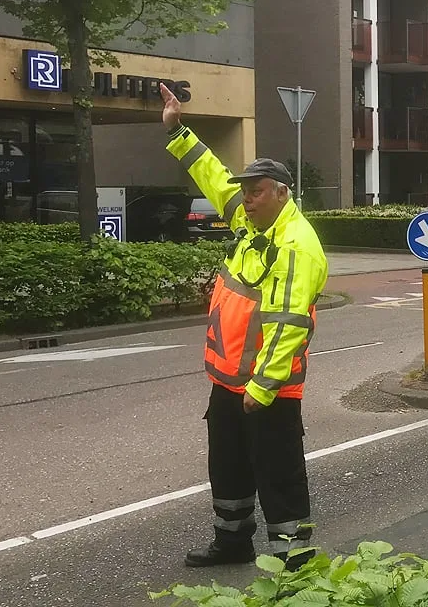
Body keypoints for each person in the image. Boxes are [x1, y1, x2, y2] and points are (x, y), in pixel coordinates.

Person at [159, 83, 330, 569]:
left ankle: (294, 558)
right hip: (229, 379)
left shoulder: (297, 244)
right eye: (246, 192)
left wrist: (263, 386)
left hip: (266, 387)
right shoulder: (252, 221)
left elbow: (289, 322)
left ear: (281, 193)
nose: (245, 200)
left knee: (277, 471)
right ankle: (232, 541)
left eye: (255, 192)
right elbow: (214, 178)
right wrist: (178, 132)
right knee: (229, 467)